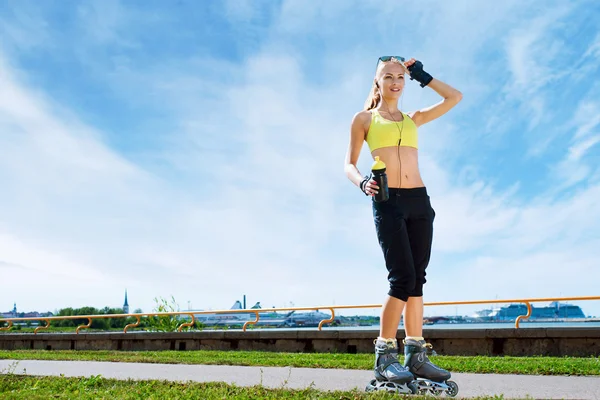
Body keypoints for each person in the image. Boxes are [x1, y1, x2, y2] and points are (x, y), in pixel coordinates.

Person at [344, 56, 462, 395]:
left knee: (418, 280)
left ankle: (415, 353)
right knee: (401, 278)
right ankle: (384, 353)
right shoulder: (364, 119)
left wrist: (422, 75)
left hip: (419, 201)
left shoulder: (413, 119)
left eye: (400, 77)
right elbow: (348, 164)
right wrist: (363, 182)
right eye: (388, 76)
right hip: (388, 201)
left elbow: (454, 97)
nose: (395, 82)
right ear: (377, 82)